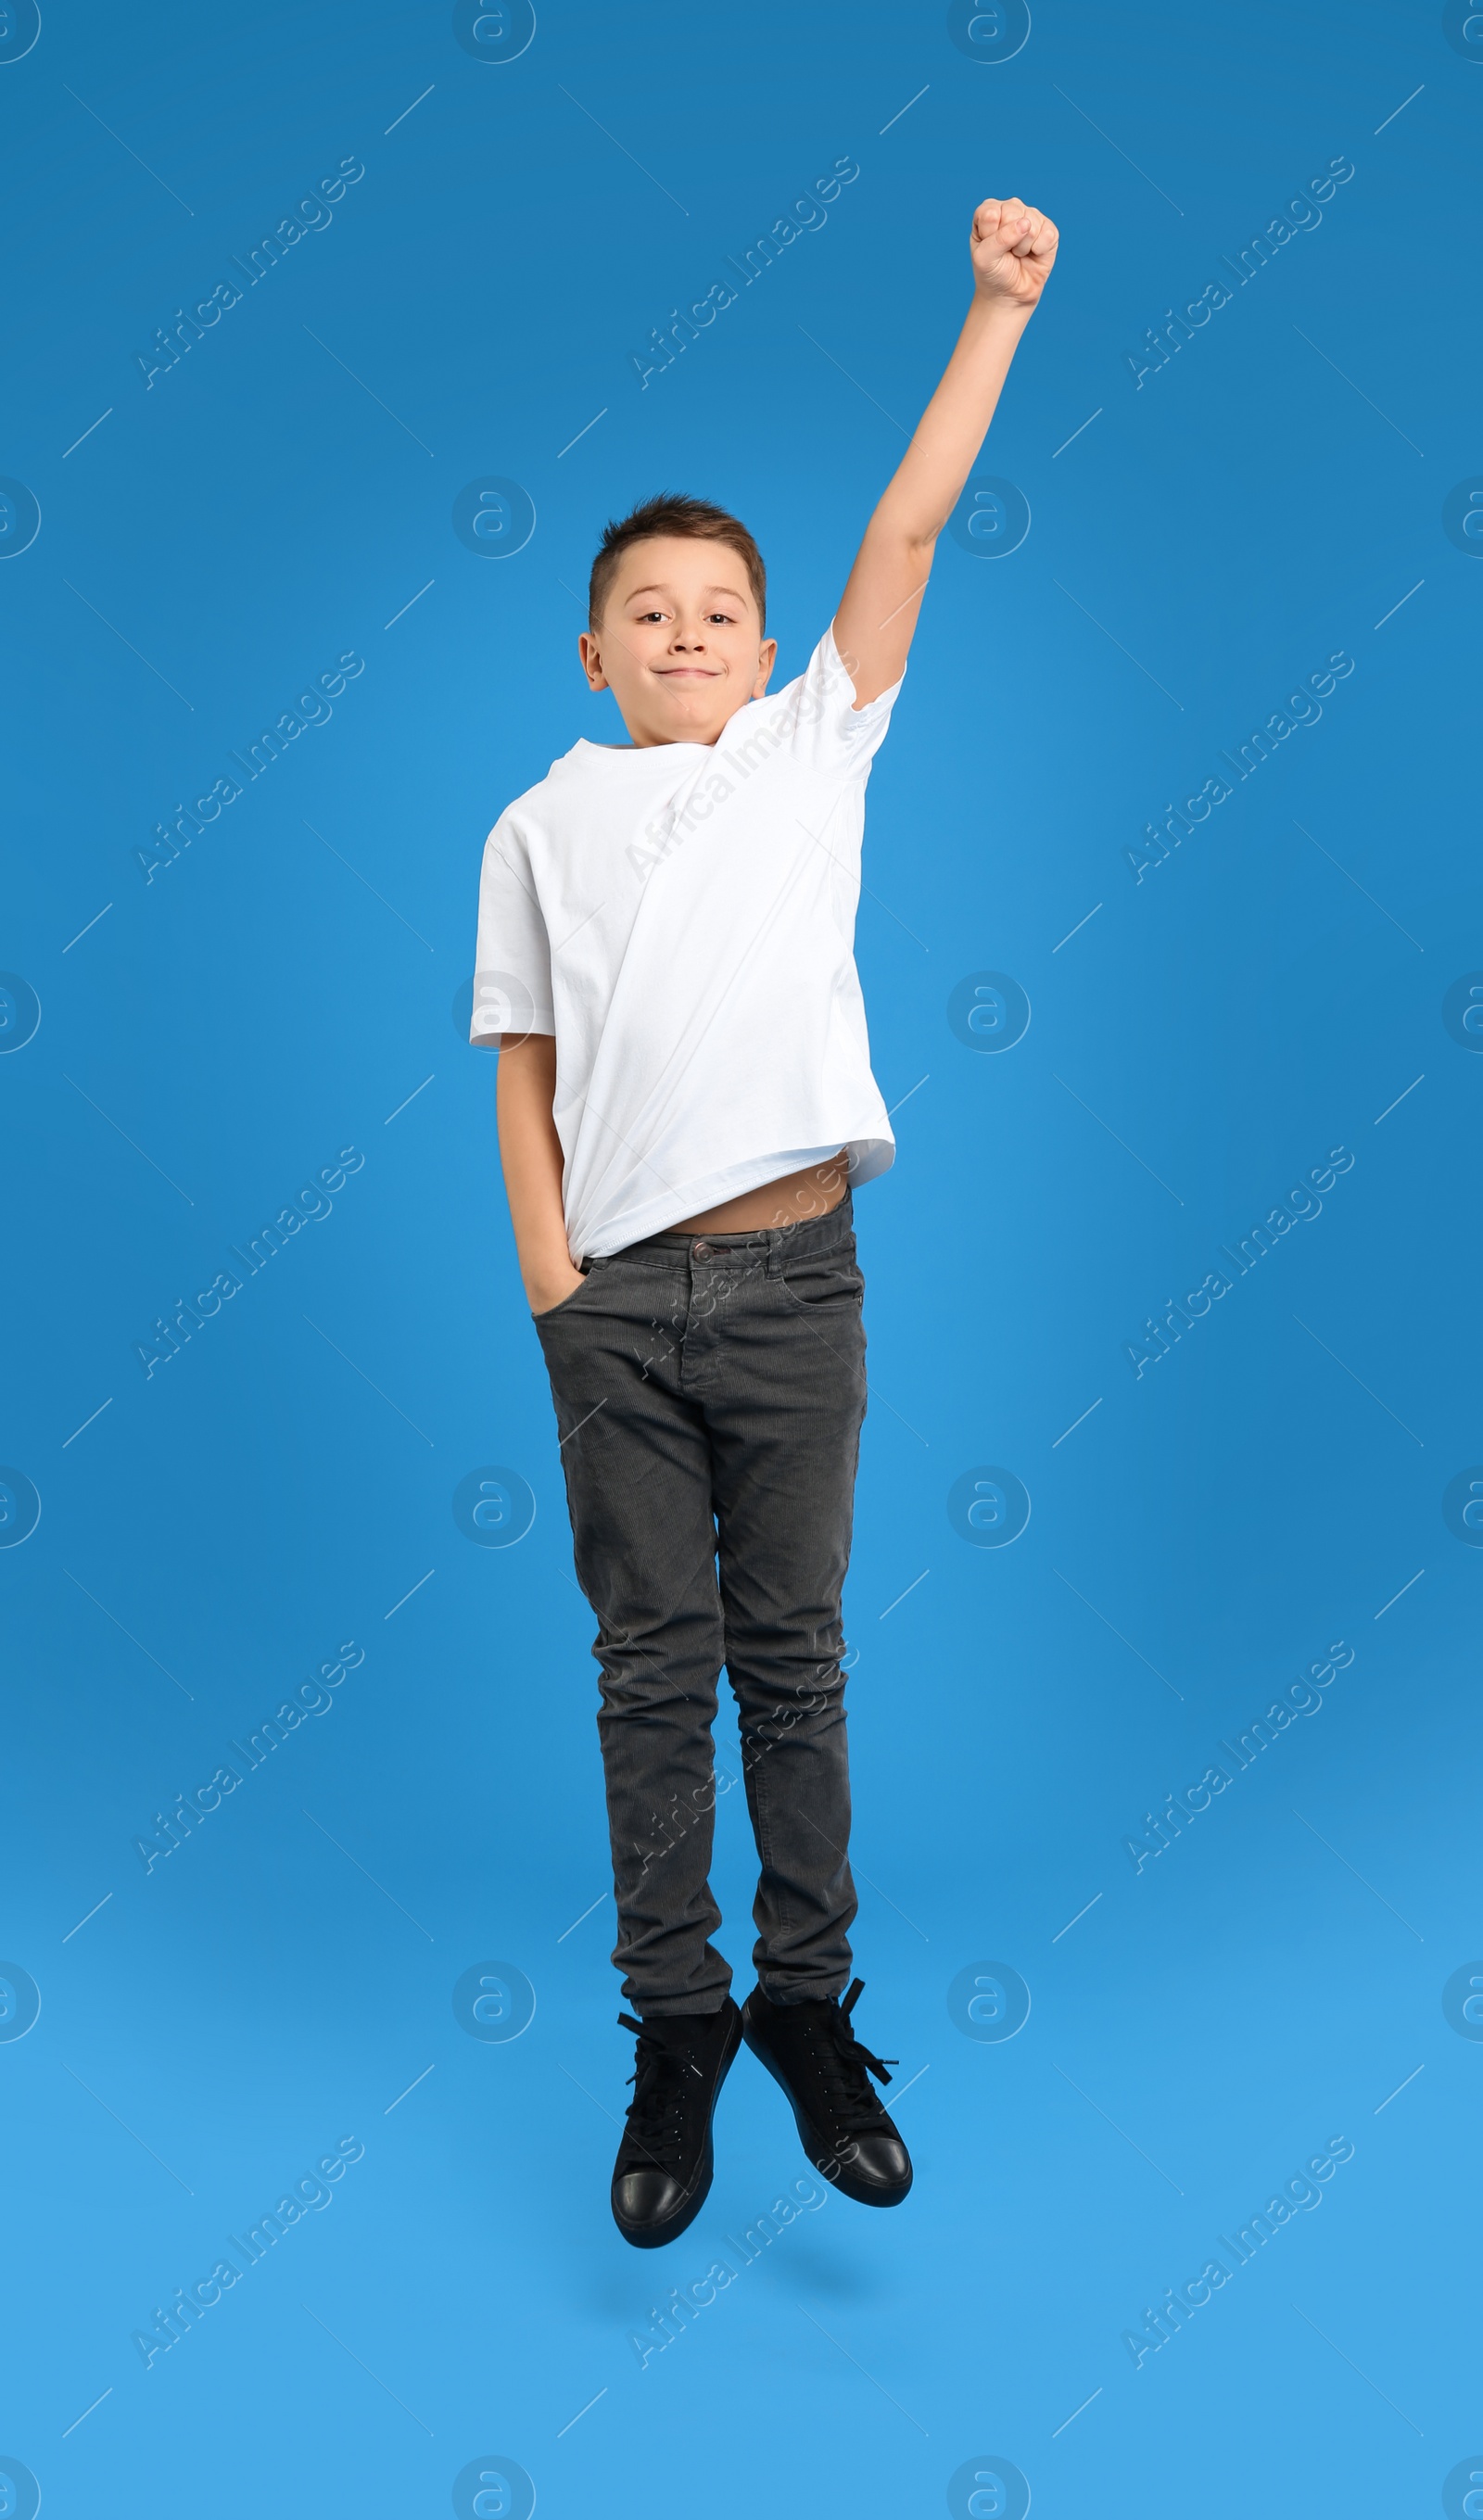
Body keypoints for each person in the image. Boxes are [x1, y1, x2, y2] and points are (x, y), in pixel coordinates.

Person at [472, 196, 1058, 2247]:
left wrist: (989, 312)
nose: (690, 634)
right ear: (592, 647)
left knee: (789, 1656)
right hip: (619, 1310)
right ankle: (673, 2022)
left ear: (766, 634)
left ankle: (806, 2004)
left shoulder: (816, 752)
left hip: (797, 1285)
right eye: (650, 610)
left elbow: (899, 532)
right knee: (654, 1663)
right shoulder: (540, 820)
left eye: (721, 606)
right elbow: (520, 1063)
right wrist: (553, 1280)